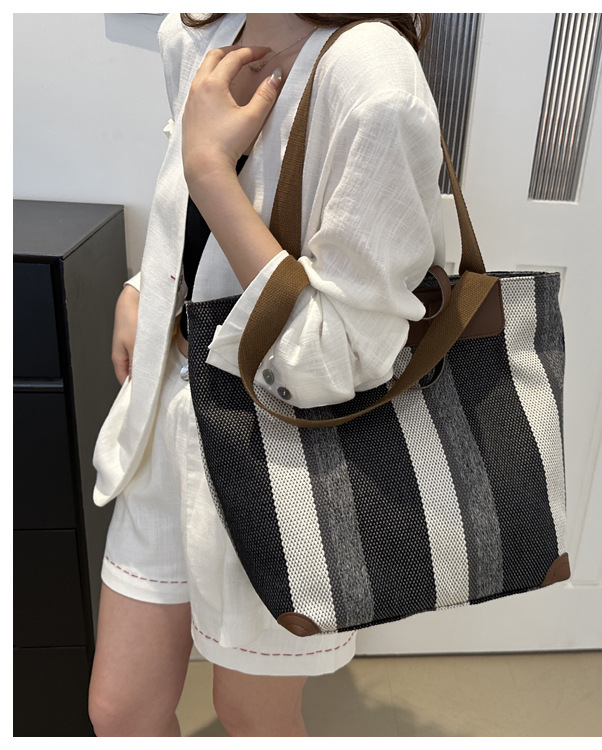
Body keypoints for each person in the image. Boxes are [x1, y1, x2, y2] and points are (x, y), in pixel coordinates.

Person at [87, 12, 445, 737]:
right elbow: (187, 209)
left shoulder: (374, 78)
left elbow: (340, 354)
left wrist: (209, 170)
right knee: (119, 712)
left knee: (252, 715)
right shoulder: (196, 30)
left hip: (285, 452)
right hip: (168, 408)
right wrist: (144, 285)